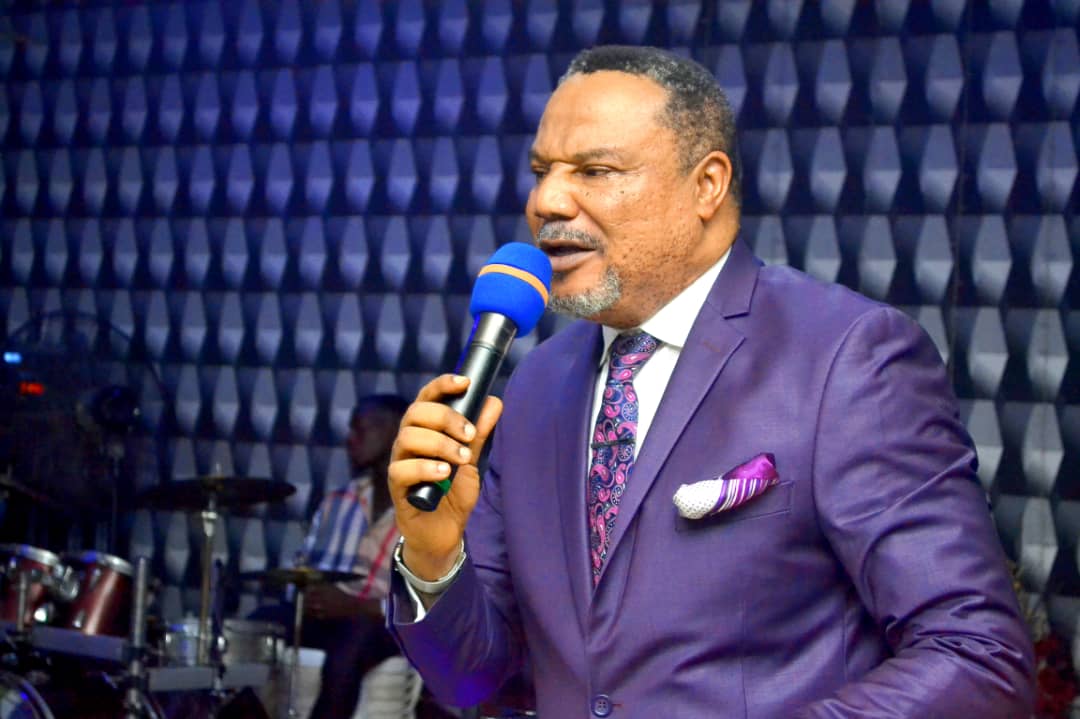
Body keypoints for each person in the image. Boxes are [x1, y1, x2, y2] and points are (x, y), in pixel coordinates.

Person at [385, 45, 1036, 717]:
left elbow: (978, 656)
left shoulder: (845, 357)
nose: (547, 200)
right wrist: (433, 558)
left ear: (707, 185)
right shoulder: (536, 385)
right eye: (541, 171)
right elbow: (474, 680)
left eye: (594, 170)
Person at [253, 394, 408, 719]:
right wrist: (306, 592)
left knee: (354, 638)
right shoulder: (337, 502)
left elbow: (432, 605)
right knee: (256, 626)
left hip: (385, 626)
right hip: (326, 619)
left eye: (359, 429)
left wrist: (357, 606)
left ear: (394, 431)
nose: (350, 439)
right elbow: (302, 569)